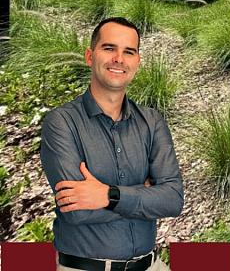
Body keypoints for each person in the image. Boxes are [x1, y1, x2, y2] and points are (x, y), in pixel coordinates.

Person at [40, 17, 183, 271]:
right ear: (89, 56)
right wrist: (145, 194)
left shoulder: (151, 121)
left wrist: (107, 195)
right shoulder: (61, 122)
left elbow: (172, 199)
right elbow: (76, 211)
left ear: (137, 63)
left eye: (129, 52)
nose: (119, 58)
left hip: (150, 266)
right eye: (109, 48)